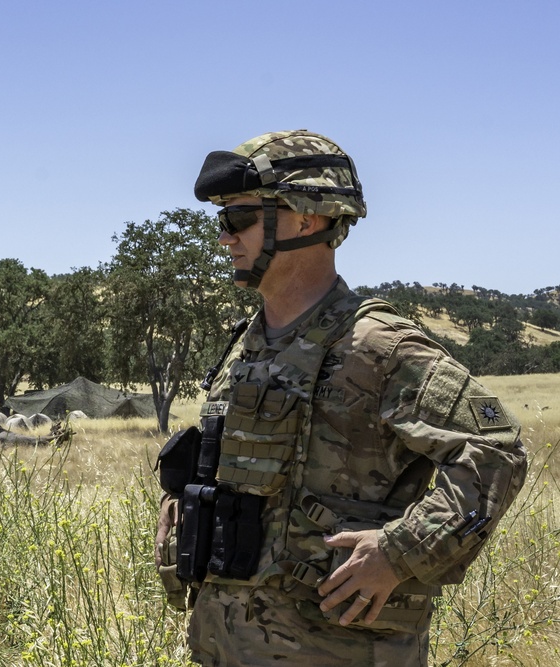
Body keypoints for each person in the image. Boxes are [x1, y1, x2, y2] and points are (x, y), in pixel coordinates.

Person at [154, 130, 527, 666]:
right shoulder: (248, 343)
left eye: (239, 220)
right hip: (225, 644)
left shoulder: (377, 346)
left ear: (308, 218)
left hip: (333, 648)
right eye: (222, 222)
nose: (225, 238)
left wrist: (399, 555)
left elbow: (498, 451)